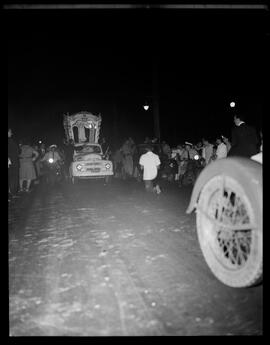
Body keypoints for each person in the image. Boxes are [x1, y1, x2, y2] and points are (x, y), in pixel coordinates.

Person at [8, 128, 20, 198]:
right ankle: (13, 193)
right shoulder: (11, 141)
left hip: (11, 162)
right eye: (10, 132)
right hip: (13, 162)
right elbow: (18, 151)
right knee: (13, 178)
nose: (11, 133)